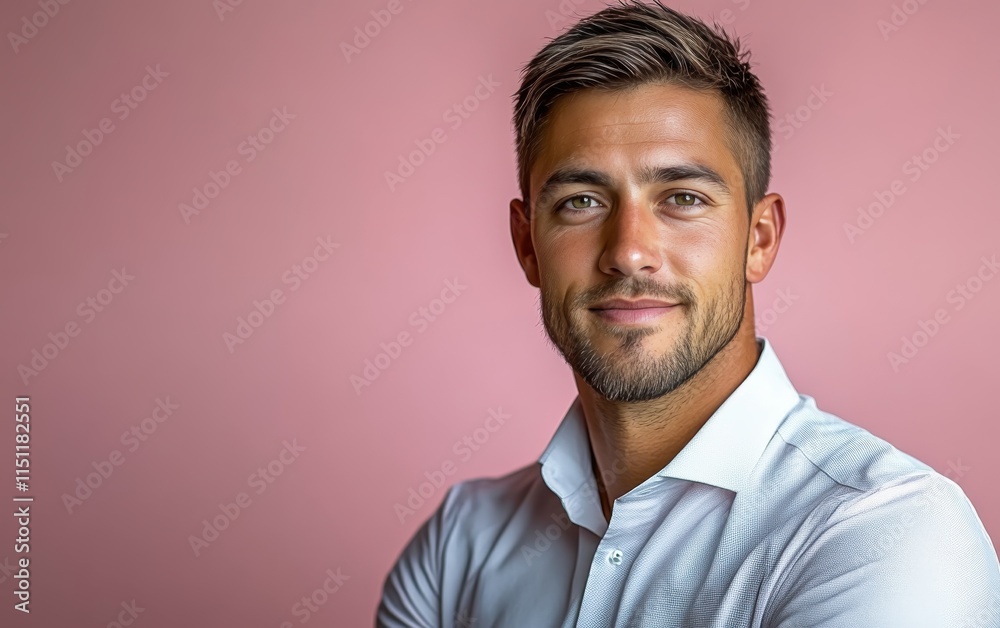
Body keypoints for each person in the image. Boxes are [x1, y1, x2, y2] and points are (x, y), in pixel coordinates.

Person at [376, 1, 1000, 625]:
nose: (628, 253)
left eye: (682, 197)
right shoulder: (458, 546)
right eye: (582, 201)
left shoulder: (885, 533)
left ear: (758, 238)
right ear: (526, 244)